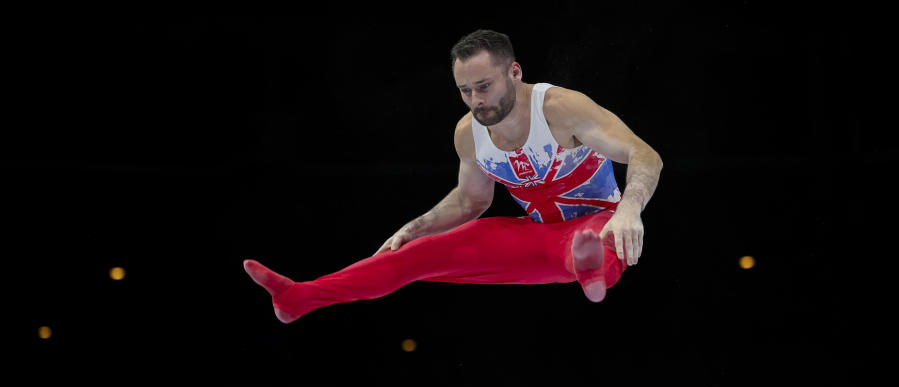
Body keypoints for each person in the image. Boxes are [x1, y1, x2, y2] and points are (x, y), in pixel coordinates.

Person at [244, 29, 662, 323]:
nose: (476, 101)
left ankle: (591, 270)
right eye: (465, 90)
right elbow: (471, 202)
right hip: (536, 237)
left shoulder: (561, 108)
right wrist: (417, 227)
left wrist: (629, 208)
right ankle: (297, 298)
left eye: (484, 86)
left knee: (598, 239)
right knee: (413, 255)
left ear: (514, 72)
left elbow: (644, 154)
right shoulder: (469, 134)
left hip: (598, 219)